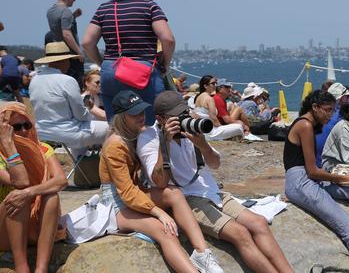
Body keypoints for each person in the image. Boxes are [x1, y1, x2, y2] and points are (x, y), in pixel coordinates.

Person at [137, 91, 293, 273]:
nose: (182, 118)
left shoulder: (189, 129)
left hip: (210, 191)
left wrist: (202, 144)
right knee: (240, 233)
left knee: (258, 223)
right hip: (188, 199)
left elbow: (215, 164)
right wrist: (165, 143)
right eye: (176, 116)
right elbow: (160, 182)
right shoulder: (149, 138)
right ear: (161, 119)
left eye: (185, 113)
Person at [98, 90, 223, 273]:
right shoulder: (115, 145)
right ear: (121, 117)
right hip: (116, 204)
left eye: (141, 111)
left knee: (174, 193)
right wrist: (158, 212)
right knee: (164, 231)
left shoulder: (135, 134)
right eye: (134, 114)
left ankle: (202, 253)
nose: (141, 117)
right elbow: (125, 192)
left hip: (133, 193)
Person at [284, 90, 349, 272]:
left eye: (333, 110)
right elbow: (312, 171)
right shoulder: (305, 125)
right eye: (327, 110)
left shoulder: (308, 124)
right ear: (315, 107)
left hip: (309, 180)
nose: (331, 115)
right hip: (302, 182)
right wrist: (340, 178)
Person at [82, 0, 175, 126]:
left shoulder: (104, 8)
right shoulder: (149, 6)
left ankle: (120, 149)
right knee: (148, 126)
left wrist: (101, 63)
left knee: (117, 125)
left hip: (112, 70)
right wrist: (165, 64)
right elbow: (168, 39)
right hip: (143, 70)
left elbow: (87, 42)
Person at [0, 102, 67, 273]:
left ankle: (41, 269)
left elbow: (61, 180)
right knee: (18, 196)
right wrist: (8, 145)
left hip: (34, 226)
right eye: (16, 127)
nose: (23, 131)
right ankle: (21, 267)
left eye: (27, 125)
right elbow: (21, 181)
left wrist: (31, 192)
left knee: (51, 196)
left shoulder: (43, 148)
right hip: (6, 230)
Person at [29, 42, 109, 158]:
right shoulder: (67, 80)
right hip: (67, 133)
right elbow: (80, 115)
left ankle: (81, 166)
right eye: (68, 60)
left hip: (42, 132)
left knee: (81, 132)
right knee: (115, 129)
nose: (69, 63)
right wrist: (92, 115)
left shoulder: (35, 79)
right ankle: (108, 168)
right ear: (63, 61)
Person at [45, 0, 84, 86]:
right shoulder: (66, 11)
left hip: (58, 52)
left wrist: (73, 16)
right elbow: (66, 34)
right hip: (70, 54)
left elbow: (57, 27)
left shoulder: (50, 11)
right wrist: (79, 51)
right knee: (76, 82)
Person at [314, 82, 349, 167]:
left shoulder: (324, 114)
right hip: (327, 164)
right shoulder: (340, 117)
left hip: (316, 161)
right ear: (342, 98)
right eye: (348, 97)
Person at [192, 76, 245, 140]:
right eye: (213, 83)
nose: (215, 85)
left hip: (201, 129)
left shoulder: (199, 97)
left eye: (215, 83)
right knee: (239, 126)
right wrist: (222, 128)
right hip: (210, 132)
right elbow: (213, 118)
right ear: (205, 86)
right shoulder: (209, 99)